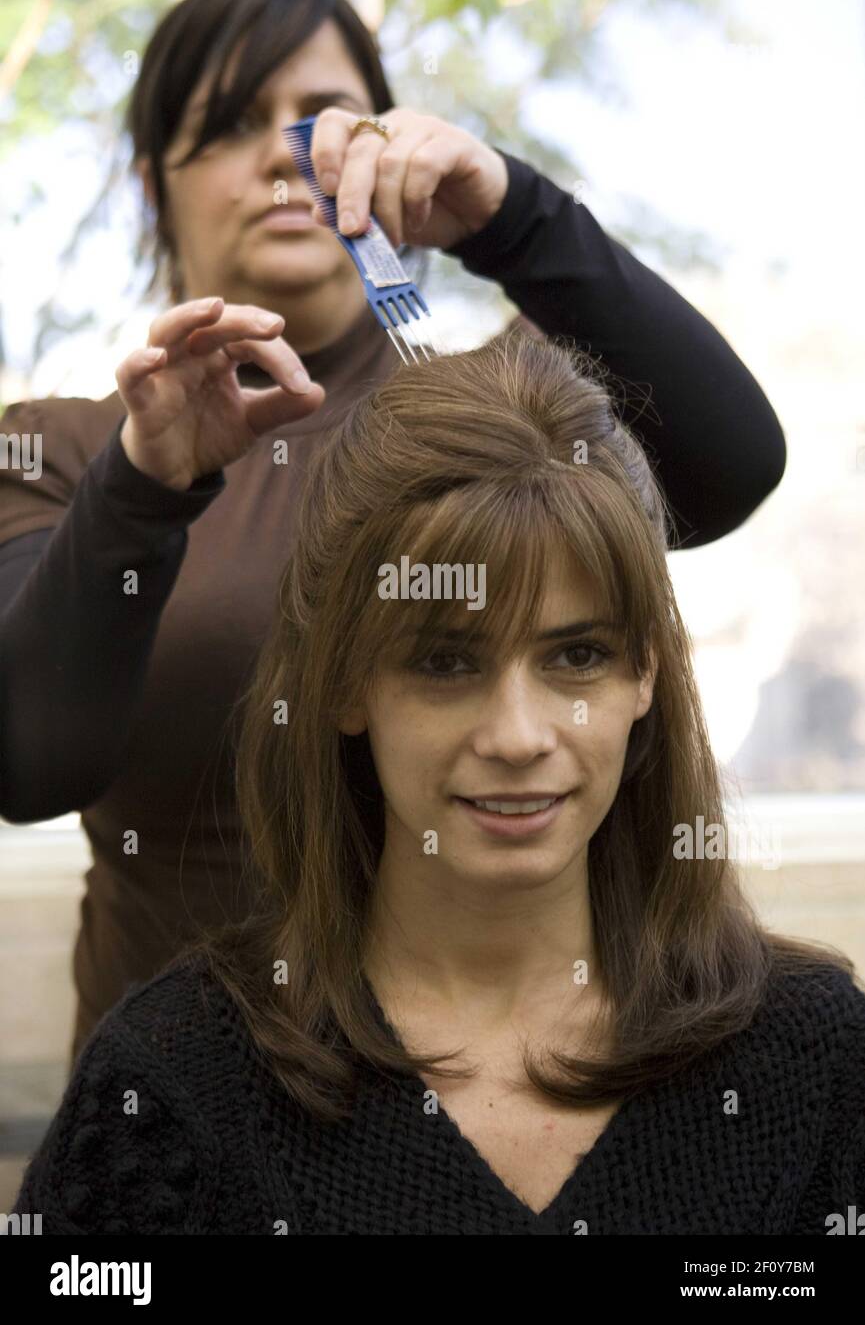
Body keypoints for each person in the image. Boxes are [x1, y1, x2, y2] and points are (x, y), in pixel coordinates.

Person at [0, 0, 788, 1070]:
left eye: (321, 118)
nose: (285, 152)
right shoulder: (66, 453)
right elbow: (28, 764)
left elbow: (728, 466)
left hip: (503, 1094)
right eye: (228, 125)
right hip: (181, 1122)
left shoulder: (500, 425)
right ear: (149, 185)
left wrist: (515, 218)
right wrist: (141, 488)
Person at [11, 328, 862, 1235]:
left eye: (577, 655)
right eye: (446, 663)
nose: (517, 736)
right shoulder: (177, 1084)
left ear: (644, 675)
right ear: (341, 683)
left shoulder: (812, 1063)